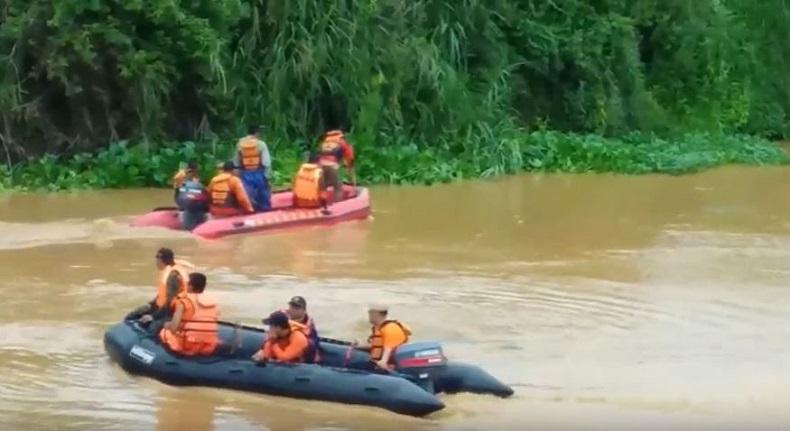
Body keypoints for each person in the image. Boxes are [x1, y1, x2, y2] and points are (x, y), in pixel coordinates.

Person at [125, 248, 193, 333]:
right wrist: (151, 305)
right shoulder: (170, 270)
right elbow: (163, 295)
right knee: (132, 316)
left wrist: (153, 316)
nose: (156, 262)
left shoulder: (173, 276)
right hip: (161, 307)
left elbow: (169, 303)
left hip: (171, 312)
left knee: (152, 328)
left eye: (157, 259)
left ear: (161, 260)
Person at [159, 272, 219, 356]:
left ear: (190, 286)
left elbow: (173, 328)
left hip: (188, 345)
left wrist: (167, 325)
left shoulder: (183, 301)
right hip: (208, 346)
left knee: (164, 331)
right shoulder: (213, 303)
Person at [354, 304, 411, 371]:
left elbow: (388, 348)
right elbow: (378, 345)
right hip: (376, 360)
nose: (369, 315)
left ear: (376, 314)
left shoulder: (390, 328)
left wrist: (383, 361)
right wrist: (360, 346)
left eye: (370, 312)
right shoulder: (380, 328)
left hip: (392, 366)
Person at [264, 296, 320, 362]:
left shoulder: (308, 326)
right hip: (285, 344)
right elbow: (271, 334)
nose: (293, 310)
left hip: (300, 351)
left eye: (296, 308)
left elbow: (313, 342)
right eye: (291, 307)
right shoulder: (282, 315)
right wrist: (264, 348)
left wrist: (274, 343)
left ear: (304, 310)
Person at [235, 125, 272, 212]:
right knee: (263, 193)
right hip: (259, 172)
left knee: (248, 193)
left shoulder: (240, 144)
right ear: (257, 133)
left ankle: (250, 209)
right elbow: (266, 162)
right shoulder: (261, 144)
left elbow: (237, 161)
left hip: (246, 172)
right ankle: (264, 210)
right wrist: (267, 176)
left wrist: (238, 173)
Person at [318, 128, 355, 204]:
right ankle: (338, 206)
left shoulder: (325, 143)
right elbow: (350, 165)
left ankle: (322, 205)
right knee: (338, 188)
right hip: (332, 166)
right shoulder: (343, 143)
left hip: (320, 166)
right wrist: (353, 183)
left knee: (323, 187)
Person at [175, 164, 209, 230]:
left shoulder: (195, 180)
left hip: (186, 202)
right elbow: (177, 179)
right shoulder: (182, 177)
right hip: (186, 202)